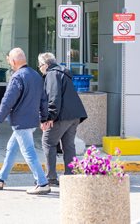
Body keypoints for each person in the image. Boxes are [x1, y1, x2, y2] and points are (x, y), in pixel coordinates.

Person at [0, 47, 50, 195]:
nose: (9, 63)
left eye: (9, 60)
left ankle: (42, 182)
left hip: (21, 122)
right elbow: (43, 100)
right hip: (31, 121)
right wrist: (44, 118)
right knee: (12, 148)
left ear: (14, 61)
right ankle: (0, 178)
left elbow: (7, 102)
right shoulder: (36, 76)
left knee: (28, 152)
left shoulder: (17, 77)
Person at [38, 52, 87, 186]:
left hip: (62, 116)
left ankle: (51, 178)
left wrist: (49, 117)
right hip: (74, 116)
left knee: (48, 142)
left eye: (40, 65)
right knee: (69, 145)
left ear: (46, 65)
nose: (39, 68)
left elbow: (54, 97)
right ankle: (71, 176)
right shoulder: (63, 73)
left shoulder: (52, 74)